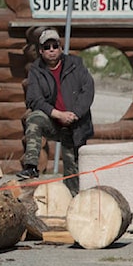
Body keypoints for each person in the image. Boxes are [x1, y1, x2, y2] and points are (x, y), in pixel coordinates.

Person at [17, 28, 95, 196]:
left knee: (72, 169)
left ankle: (74, 202)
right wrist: (58, 114)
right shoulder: (36, 70)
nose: (51, 50)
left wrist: (74, 114)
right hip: (53, 121)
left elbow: (88, 90)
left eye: (54, 46)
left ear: (60, 48)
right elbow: (34, 99)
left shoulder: (76, 64)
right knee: (34, 119)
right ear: (41, 51)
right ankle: (31, 166)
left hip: (75, 125)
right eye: (47, 47)